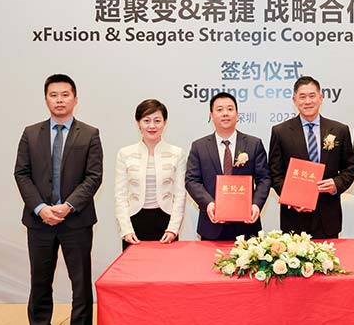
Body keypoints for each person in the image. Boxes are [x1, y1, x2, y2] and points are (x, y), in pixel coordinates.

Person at [14, 74, 103, 325]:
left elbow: (94, 176)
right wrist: (40, 208)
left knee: (81, 283)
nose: (59, 100)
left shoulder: (89, 134)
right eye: (53, 95)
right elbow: (21, 173)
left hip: (76, 221)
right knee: (40, 281)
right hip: (39, 221)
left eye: (65, 95)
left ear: (75, 99)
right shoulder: (31, 133)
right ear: (46, 100)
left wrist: (68, 206)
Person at [269, 76, 354, 239]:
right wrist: (291, 198)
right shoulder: (280, 132)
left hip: (328, 215)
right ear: (294, 100)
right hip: (294, 217)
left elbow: (350, 167)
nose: (307, 101)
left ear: (321, 98)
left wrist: (336, 184)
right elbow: (275, 173)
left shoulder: (339, 130)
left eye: (312, 96)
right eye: (302, 97)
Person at [185, 92, 271, 241]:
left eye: (230, 109)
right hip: (211, 225)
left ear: (237, 115)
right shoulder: (199, 146)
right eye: (219, 109)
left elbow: (264, 178)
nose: (225, 113)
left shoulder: (253, 144)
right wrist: (209, 204)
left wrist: (256, 204)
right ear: (211, 116)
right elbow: (191, 181)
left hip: (247, 224)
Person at [114, 99, 186, 250]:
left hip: (166, 221)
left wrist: (173, 228)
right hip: (134, 222)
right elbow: (120, 195)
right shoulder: (125, 153)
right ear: (138, 123)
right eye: (146, 121)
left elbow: (180, 195)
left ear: (165, 123)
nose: (152, 126)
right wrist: (126, 229)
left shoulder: (177, 153)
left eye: (157, 121)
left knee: (166, 264)